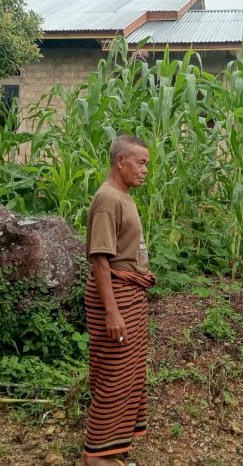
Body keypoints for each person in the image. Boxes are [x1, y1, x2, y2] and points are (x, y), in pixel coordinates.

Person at [81, 134, 156, 466]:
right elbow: (100, 260)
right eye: (140, 163)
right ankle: (95, 456)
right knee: (114, 374)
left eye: (147, 165)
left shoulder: (123, 196)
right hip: (116, 299)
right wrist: (112, 312)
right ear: (120, 161)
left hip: (130, 295)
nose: (144, 171)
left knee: (128, 373)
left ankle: (115, 444)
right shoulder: (108, 199)